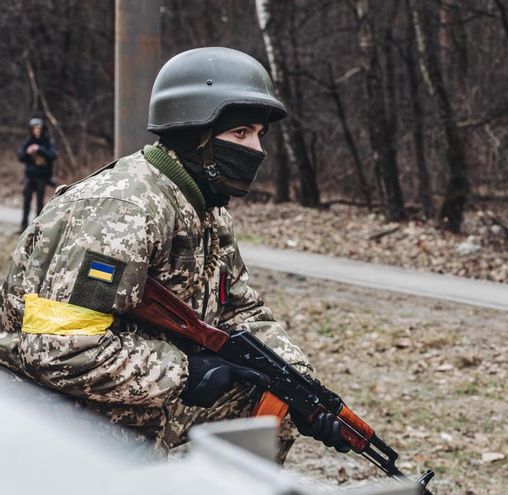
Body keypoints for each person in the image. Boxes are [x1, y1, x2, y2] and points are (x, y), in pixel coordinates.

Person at [0, 47, 345, 461]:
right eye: (240, 134)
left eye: (258, 135)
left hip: (127, 396)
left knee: (268, 408)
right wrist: (185, 372)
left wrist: (302, 387)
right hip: (52, 414)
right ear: (193, 133)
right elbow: (56, 348)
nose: (255, 149)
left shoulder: (205, 209)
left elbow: (242, 311)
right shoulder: (123, 210)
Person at [17, 117, 57, 232]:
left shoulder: (47, 141)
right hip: (29, 176)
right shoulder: (28, 141)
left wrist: (39, 149)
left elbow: (52, 155)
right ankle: (23, 227)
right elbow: (20, 157)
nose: (36, 130)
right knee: (26, 201)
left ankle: (37, 228)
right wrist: (27, 152)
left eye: (38, 128)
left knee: (40, 203)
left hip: (42, 176)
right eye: (34, 128)